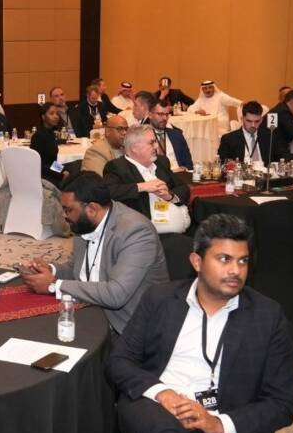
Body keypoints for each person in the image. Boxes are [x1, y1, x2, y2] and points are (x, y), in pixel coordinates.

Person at [108, 213, 293, 433]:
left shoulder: (268, 317)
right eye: (224, 259)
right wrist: (163, 393)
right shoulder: (160, 299)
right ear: (197, 261)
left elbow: (282, 405)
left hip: (213, 421)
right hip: (150, 404)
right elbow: (119, 361)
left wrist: (218, 423)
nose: (235, 270)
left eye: (242, 261)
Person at [21, 173, 168, 336]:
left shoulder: (135, 231)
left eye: (68, 209)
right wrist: (50, 270)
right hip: (91, 309)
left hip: (129, 328)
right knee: (35, 330)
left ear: (91, 208)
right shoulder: (84, 223)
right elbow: (77, 269)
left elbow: (116, 294)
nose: (64, 215)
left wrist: (54, 285)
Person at [104, 125, 191, 234]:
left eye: (155, 141)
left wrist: (170, 196)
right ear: (135, 148)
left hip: (183, 230)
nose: (156, 146)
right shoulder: (117, 167)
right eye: (152, 142)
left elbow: (184, 188)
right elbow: (109, 192)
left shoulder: (161, 162)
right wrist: (142, 187)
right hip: (147, 234)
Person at [217, 100, 290, 166]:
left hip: (265, 174)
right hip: (242, 174)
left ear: (261, 120)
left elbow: (285, 156)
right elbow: (221, 162)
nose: (253, 125)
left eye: (257, 121)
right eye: (249, 121)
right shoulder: (229, 139)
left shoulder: (270, 136)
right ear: (242, 119)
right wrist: (230, 163)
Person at [147, 96, 193, 170]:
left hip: (179, 174)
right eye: (160, 114)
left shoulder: (177, 135)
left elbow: (189, 164)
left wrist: (184, 169)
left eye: (167, 114)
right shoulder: (142, 137)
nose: (165, 118)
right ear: (150, 115)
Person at [30, 102, 67, 188]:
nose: (56, 116)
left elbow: (51, 162)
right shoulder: (39, 136)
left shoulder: (51, 133)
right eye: (51, 113)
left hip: (51, 168)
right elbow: (39, 165)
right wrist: (61, 174)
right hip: (44, 174)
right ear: (43, 117)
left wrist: (62, 170)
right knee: (72, 172)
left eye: (57, 113)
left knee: (76, 165)